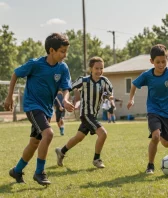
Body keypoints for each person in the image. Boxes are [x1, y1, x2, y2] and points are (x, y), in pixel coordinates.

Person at [4, 33, 73, 185]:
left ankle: (17, 170)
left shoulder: (63, 68)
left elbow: (65, 87)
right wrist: (9, 97)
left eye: (66, 51)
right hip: (32, 106)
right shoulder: (35, 64)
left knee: (35, 143)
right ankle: (39, 172)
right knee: (48, 134)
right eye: (62, 51)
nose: (65, 55)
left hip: (47, 109)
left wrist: (66, 99)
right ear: (51, 50)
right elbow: (16, 73)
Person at [127, 44, 168, 174]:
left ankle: (161, 135)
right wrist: (131, 98)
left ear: (167, 60)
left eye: (163, 62)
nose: (161, 65)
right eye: (158, 62)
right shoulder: (147, 75)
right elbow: (134, 85)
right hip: (153, 110)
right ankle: (150, 165)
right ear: (151, 61)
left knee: (166, 144)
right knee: (155, 137)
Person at [55, 56, 113, 169]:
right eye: (96, 68)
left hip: (93, 115)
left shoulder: (105, 81)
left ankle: (61, 151)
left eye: (101, 68)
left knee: (79, 137)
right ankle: (97, 159)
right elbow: (68, 87)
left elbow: (109, 93)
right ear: (90, 69)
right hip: (86, 114)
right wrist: (64, 98)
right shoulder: (84, 80)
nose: (99, 71)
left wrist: (108, 96)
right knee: (103, 134)